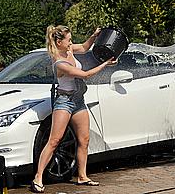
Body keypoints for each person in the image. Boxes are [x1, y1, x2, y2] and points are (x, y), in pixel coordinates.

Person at [31, 25, 116, 193]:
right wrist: (106, 64)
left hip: (78, 100)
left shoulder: (69, 50)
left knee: (84, 139)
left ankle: (82, 176)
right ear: (58, 42)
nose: (71, 43)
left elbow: (84, 48)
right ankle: (38, 177)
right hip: (64, 101)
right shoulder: (59, 62)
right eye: (68, 40)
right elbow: (85, 75)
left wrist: (94, 35)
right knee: (54, 140)